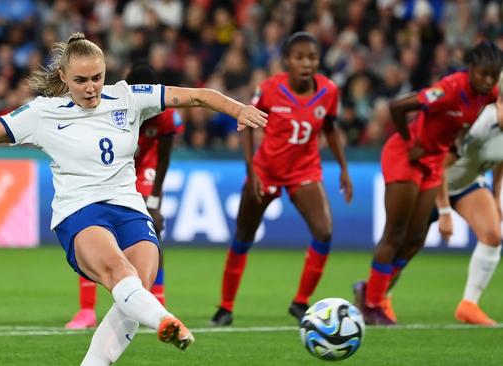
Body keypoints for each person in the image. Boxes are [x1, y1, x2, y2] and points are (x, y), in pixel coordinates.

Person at [0, 33, 266, 364]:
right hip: (80, 213)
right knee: (120, 273)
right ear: (63, 77)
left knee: (135, 291)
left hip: (128, 208)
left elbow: (198, 95)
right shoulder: (42, 113)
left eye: (97, 77)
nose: (91, 87)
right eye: (81, 80)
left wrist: (238, 110)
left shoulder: (128, 97)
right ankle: (165, 320)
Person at [353, 41, 503, 325]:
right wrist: (410, 141)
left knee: (413, 239)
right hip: (407, 155)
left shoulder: (488, 94)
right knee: (396, 232)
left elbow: (468, 127)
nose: (487, 81)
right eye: (483, 74)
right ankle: (372, 303)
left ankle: (368, 290)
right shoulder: (449, 89)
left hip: (434, 161)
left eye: (493, 76)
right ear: (470, 68)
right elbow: (396, 106)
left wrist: (455, 141)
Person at [210, 32, 353, 326]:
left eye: (312, 57)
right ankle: (225, 307)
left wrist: (344, 168)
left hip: (305, 171)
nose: (306, 63)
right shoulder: (269, 89)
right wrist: (252, 172)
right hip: (266, 171)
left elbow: (329, 127)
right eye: (299, 57)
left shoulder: (329, 91)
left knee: (324, 232)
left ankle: (300, 303)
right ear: (287, 61)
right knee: (243, 236)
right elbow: (248, 124)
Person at [65, 61, 183, 330]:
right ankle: (86, 311)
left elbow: (164, 158)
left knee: (152, 228)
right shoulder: (111, 103)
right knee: (92, 230)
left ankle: (157, 299)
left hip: (144, 169)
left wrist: (154, 201)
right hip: (113, 166)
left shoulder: (165, 114)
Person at [383, 89, 503, 326]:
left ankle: (469, 306)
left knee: (492, 236)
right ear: (499, 101)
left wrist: (497, 196)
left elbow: (500, 161)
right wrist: (445, 211)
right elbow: (440, 165)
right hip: (432, 180)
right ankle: (379, 298)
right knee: (407, 245)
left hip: (467, 183)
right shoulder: (479, 124)